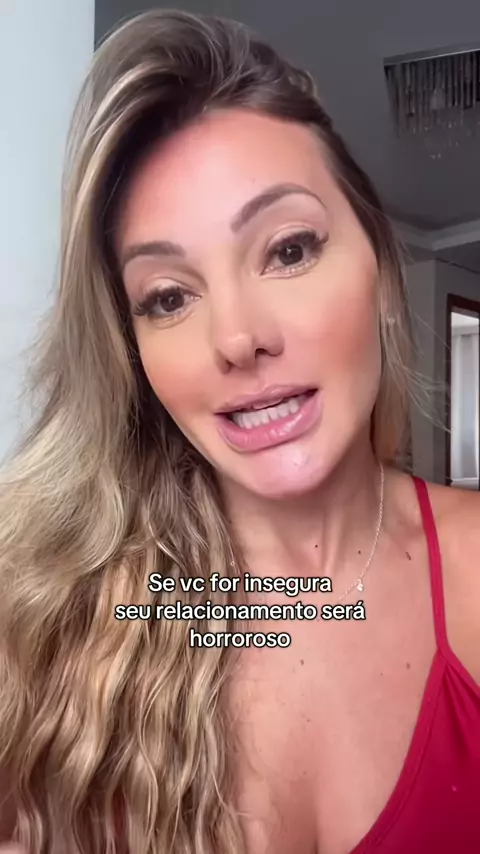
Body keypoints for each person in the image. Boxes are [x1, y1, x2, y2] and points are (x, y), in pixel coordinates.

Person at [0, 9, 479, 854]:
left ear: (377, 265)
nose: (237, 338)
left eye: (288, 250)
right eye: (168, 297)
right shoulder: (41, 629)